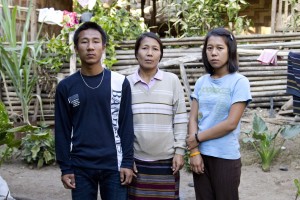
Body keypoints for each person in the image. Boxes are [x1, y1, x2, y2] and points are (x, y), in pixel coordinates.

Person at [54, 21, 134, 200]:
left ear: (103, 47)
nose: (90, 47)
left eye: (96, 41)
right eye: (84, 42)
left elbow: (126, 125)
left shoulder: (120, 83)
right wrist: (66, 167)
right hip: (80, 166)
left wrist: (127, 162)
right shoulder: (66, 87)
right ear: (76, 48)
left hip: (114, 165)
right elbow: (62, 130)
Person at [186, 28, 252, 200]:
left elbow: (231, 123)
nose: (213, 53)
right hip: (200, 155)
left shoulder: (239, 82)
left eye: (219, 48)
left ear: (230, 50)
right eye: (209, 48)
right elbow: (192, 117)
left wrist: (197, 138)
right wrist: (194, 152)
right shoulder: (201, 82)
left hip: (225, 157)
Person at [127, 32, 188, 200]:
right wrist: (126, 157)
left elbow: (180, 118)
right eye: (144, 48)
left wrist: (179, 151)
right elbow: (120, 123)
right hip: (137, 160)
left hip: (167, 160)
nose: (149, 53)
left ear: (160, 54)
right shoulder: (126, 83)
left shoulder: (172, 81)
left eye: (155, 49)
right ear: (136, 52)